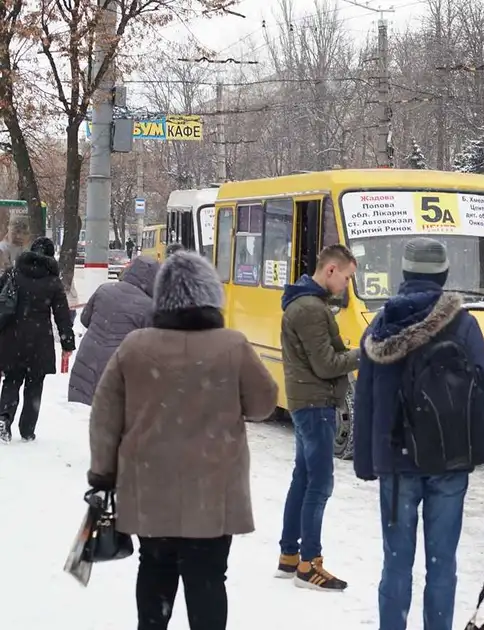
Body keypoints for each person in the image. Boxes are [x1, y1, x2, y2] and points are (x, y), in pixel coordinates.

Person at [87, 250, 279, 630]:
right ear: (210, 295)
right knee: (208, 578)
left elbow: (104, 417)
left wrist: (102, 475)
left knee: (155, 568)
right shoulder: (232, 346)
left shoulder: (136, 347)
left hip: (151, 487)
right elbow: (263, 403)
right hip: (213, 493)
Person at [354, 237, 484, 630]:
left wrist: (366, 460)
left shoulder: (381, 324)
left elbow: (367, 396)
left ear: (404, 273)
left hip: (396, 461)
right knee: (442, 565)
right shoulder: (463, 323)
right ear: (443, 274)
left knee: (397, 565)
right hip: (450, 459)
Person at [276, 244, 361, 590]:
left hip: (305, 401)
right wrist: (362, 355)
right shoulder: (311, 308)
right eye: (347, 277)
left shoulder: (306, 303)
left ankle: (289, 556)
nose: (346, 285)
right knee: (319, 483)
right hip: (315, 405)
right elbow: (326, 364)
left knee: (303, 477)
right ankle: (310, 564)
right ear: (330, 271)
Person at [0, 236, 75, 442]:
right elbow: (62, 315)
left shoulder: (13, 274)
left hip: (12, 338)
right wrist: (67, 343)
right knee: (34, 386)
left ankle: (4, 418)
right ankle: (27, 430)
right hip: (39, 341)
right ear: (50, 256)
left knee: (12, 380)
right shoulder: (53, 282)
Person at [67, 256, 160, 406]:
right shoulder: (149, 307)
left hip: (87, 361)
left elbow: (85, 319)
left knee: (82, 416)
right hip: (117, 370)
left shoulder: (104, 289)